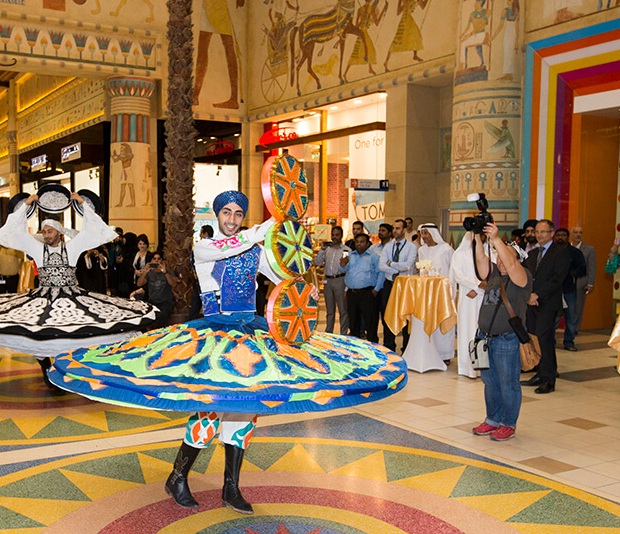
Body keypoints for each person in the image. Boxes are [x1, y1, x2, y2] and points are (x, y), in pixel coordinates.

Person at [47, 190, 407, 515]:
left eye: (238, 214)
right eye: (228, 213)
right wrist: (269, 225)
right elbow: (233, 246)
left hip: (252, 333)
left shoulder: (252, 249)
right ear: (217, 215)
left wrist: (303, 292)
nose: (233, 219)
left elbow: (282, 274)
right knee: (207, 415)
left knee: (245, 413)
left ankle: (231, 488)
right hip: (213, 338)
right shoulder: (206, 247)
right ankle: (177, 476)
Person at [0, 193, 157, 387]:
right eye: (44, 232)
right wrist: (27, 205)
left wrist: (82, 203)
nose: (46, 235)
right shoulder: (37, 248)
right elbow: (15, 231)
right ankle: (46, 366)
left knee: (70, 334)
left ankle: (63, 370)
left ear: (59, 232)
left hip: (72, 299)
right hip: (42, 299)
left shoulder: (73, 247)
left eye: (49, 231)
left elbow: (93, 230)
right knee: (40, 333)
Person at [471, 222, 532, 442]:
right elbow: (480, 261)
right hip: (484, 338)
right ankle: (492, 419)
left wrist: (496, 238)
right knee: (490, 382)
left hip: (507, 338)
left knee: (508, 383)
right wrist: (477, 239)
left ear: (516, 258)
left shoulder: (522, 276)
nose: (501, 259)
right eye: (498, 255)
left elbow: (512, 265)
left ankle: (508, 423)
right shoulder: (495, 275)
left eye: (506, 255)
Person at [520, 220, 570, 394]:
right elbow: (525, 276)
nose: (539, 235)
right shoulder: (533, 254)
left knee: (545, 340)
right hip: (531, 304)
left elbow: (557, 279)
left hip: (547, 303)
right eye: (537, 232)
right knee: (534, 338)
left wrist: (537, 294)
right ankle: (540, 373)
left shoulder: (561, 252)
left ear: (551, 233)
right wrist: (528, 296)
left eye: (543, 232)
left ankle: (549, 379)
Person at [449, 233, 488, 378]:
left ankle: (484, 367)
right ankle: (468, 368)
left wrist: (481, 287)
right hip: (468, 298)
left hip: (487, 297)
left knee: (484, 331)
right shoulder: (460, 254)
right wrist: (477, 285)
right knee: (468, 330)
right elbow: (458, 276)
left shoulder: (491, 253)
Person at [418, 224, 456, 363]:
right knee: (429, 323)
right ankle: (431, 353)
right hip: (427, 293)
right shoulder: (422, 250)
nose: (424, 236)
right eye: (422, 233)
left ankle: (445, 355)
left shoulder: (446, 249)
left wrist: (451, 290)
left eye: (426, 233)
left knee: (443, 322)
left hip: (444, 292)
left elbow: (453, 270)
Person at [379, 219, 417, 351]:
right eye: (394, 228)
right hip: (389, 284)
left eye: (398, 228)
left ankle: (406, 348)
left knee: (405, 317)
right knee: (387, 315)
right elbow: (381, 266)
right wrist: (396, 268)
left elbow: (408, 266)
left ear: (405, 230)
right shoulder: (388, 246)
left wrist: (391, 264)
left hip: (405, 285)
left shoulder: (411, 247)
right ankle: (389, 347)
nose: (395, 231)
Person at [344, 233, 384, 342]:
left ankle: (374, 349)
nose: (359, 244)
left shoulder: (374, 257)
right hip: (352, 293)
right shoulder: (350, 256)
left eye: (362, 242)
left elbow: (381, 273)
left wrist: (376, 290)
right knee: (353, 323)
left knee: (370, 324)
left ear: (367, 244)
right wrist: (342, 264)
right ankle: (356, 350)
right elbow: (343, 270)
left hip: (367, 293)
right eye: (357, 242)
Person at [314, 226, 350, 334]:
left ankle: (343, 333)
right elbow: (317, 262)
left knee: (343, 310)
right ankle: (329, 332)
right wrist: (322, 250)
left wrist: (347, 287)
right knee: (330, 310)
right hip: (328, 281)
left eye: (337, 235)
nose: (334, 237)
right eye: (333, 235)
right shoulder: (327, 249)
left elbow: (348, 268)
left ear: (341, 236)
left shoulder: (346, 250)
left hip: (340, 280)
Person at [554, 228, 586, 352]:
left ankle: (569, 342)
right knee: (552, 317)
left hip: (569, 289)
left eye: (563, 235)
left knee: (571, 317)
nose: (560, 237)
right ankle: (550, 340)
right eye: (558, 235)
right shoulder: (551, 251)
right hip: (554, 290)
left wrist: (571, 273)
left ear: (568, 237)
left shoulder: (575, 252)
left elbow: (583, 269)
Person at [132, 251, 178, 328]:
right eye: (154, 259)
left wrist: (165, 272)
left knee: (163, 315)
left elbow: (174, 284)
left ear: (161, 261)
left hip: (165, 303)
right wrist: (145, 272)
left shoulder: (168, 272)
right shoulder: (149, 273)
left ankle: (154, 331)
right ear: (151, 261)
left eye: (158, 259)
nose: (156, 261)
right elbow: (139, 284)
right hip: (152, 302)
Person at [570, 226, 595, 347]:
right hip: (565, 283)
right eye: (576, 232)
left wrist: (590, 284)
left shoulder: (589, 249)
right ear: (572, 234)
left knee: (578, 307)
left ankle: (574, 329)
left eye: (580, 232)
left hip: (581, 283)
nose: (578, 234)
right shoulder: (565, 248)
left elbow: (591, 267)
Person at [189, 225, 214, 320]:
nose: (200, 236)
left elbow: (193, 262)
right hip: (212, 281)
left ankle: (192, 328)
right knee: (210, 307)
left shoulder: (199, 247)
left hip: (201, 280)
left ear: (205, 234)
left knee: (195, 306)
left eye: (201, 233)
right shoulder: (216, 247)